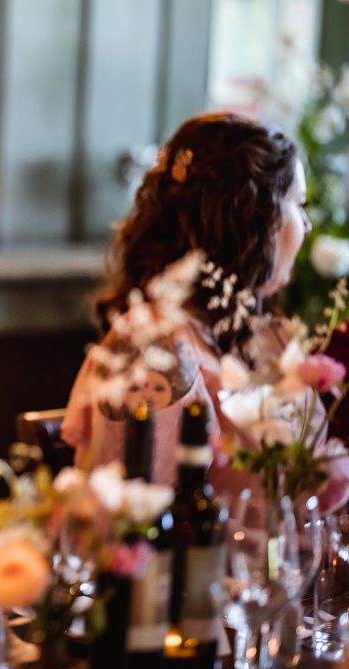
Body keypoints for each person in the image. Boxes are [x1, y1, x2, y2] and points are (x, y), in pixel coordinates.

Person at [62, 112, 313, 491]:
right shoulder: (154, 346)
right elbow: (139, 523)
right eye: (300, 204)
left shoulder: (263, 333)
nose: (306, 225)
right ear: (253, 219)